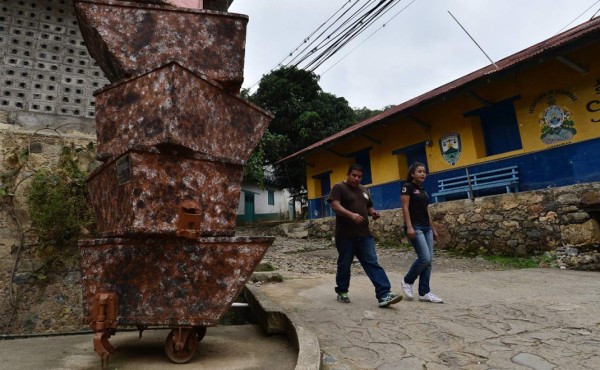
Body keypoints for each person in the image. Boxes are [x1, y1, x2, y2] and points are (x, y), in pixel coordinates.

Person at [327, 163, 403, 308]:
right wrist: (351, 215)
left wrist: (373, 212)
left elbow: (368, 206)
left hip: (364, 234)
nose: (356, 179)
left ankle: (384, 294)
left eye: (359, 176)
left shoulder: (364, 189)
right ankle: (342, 291)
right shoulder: (339, 188)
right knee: (344, 264)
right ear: (347, 175)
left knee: (372, 262)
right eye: (353, 175)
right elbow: (335, 205)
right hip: (345, 235)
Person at [400, 162, 443, 303]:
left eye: (424, 171)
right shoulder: (407, 187)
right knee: (424, 257)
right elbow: (405, 208)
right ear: (412, 174)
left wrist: (433, 229)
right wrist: (409, 227)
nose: (423, 174)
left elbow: (426, 211)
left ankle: (424, 292)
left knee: (429, 261)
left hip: (426, 227)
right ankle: (407, 281)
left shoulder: (423, 191)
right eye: (419, 171)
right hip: (415, 226)